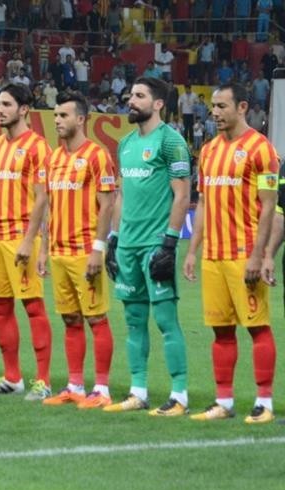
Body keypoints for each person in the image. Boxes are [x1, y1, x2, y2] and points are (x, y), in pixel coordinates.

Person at [184, 83, 279, 424]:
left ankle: (264, 402)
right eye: (213, 106)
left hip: (243, 254)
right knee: (221, 330)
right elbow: (203, 203)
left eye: (222, 106)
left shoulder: (261, 149)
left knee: (257, 327)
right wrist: (192, 251)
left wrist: (259, 254)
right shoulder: (208, 151)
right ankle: (223, 401)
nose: (215, 112)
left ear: (242, 107)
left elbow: (269, 207)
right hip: (213, 255)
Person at [104, 77, 192, 417]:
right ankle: (138, 391)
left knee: (166, 320)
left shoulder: (171, 142)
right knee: (133, 320)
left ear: (158, 104)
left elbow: (182, 196)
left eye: (139, 96)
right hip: (128, 245)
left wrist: (169, 243)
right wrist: (114, 240)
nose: (131, 100)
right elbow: (121, 196)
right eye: (130, 95)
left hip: (156, 244)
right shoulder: (125, 144)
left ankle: (179, 395)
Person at [42, 91, 117, 409]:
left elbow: (108, 204)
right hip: (59, 252)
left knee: (96, 318)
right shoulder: (53, 158)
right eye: (56, 116)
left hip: (86, 251)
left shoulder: (97, 155)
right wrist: (44, 250)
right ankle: (74, 385)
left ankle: (102, 388)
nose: (58, 121)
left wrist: (99, 249)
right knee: (70, 319)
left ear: (81, 119)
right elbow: (50, 206)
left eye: (64, 115)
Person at [0, 84, 54, 399]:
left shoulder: (38, 147)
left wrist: (31, 241)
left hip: (22, 237)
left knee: (33, 306)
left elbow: (43, 199)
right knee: (0, 308)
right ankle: (12, 377)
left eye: (7, 104)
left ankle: (43, 380)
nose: (0, 110)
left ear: (24, 109)